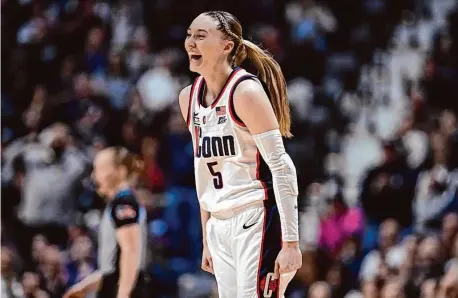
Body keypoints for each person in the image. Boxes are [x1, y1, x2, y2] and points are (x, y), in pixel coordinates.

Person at [178, 11, 302, 298]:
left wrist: (291, 242)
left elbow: (282, 167)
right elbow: (204, 171)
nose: (190, 43)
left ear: (227, 46)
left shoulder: (244, 92)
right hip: (219, 225)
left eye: (200, 36)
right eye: (188, 34)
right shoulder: (188, 98)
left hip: (255, 219)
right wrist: (207, 237)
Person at [63, 147, 148, 298]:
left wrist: (123, 294)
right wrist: (84, 288)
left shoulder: (124, 202)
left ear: (120, 172)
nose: (94, 176)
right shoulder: (120, 202)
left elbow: (130, 251)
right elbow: (112, 269)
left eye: (100, 169)